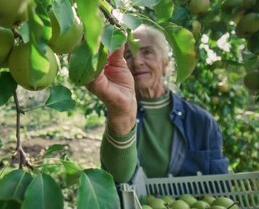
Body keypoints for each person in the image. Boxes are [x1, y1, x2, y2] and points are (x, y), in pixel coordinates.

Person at [87, 24, 229, 184]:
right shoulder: (121, 114)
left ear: (165, 63)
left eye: (147, 52)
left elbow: (220, 186)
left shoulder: (201, 121)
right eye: (128, 54)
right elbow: (115, 179)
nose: (137, 61)